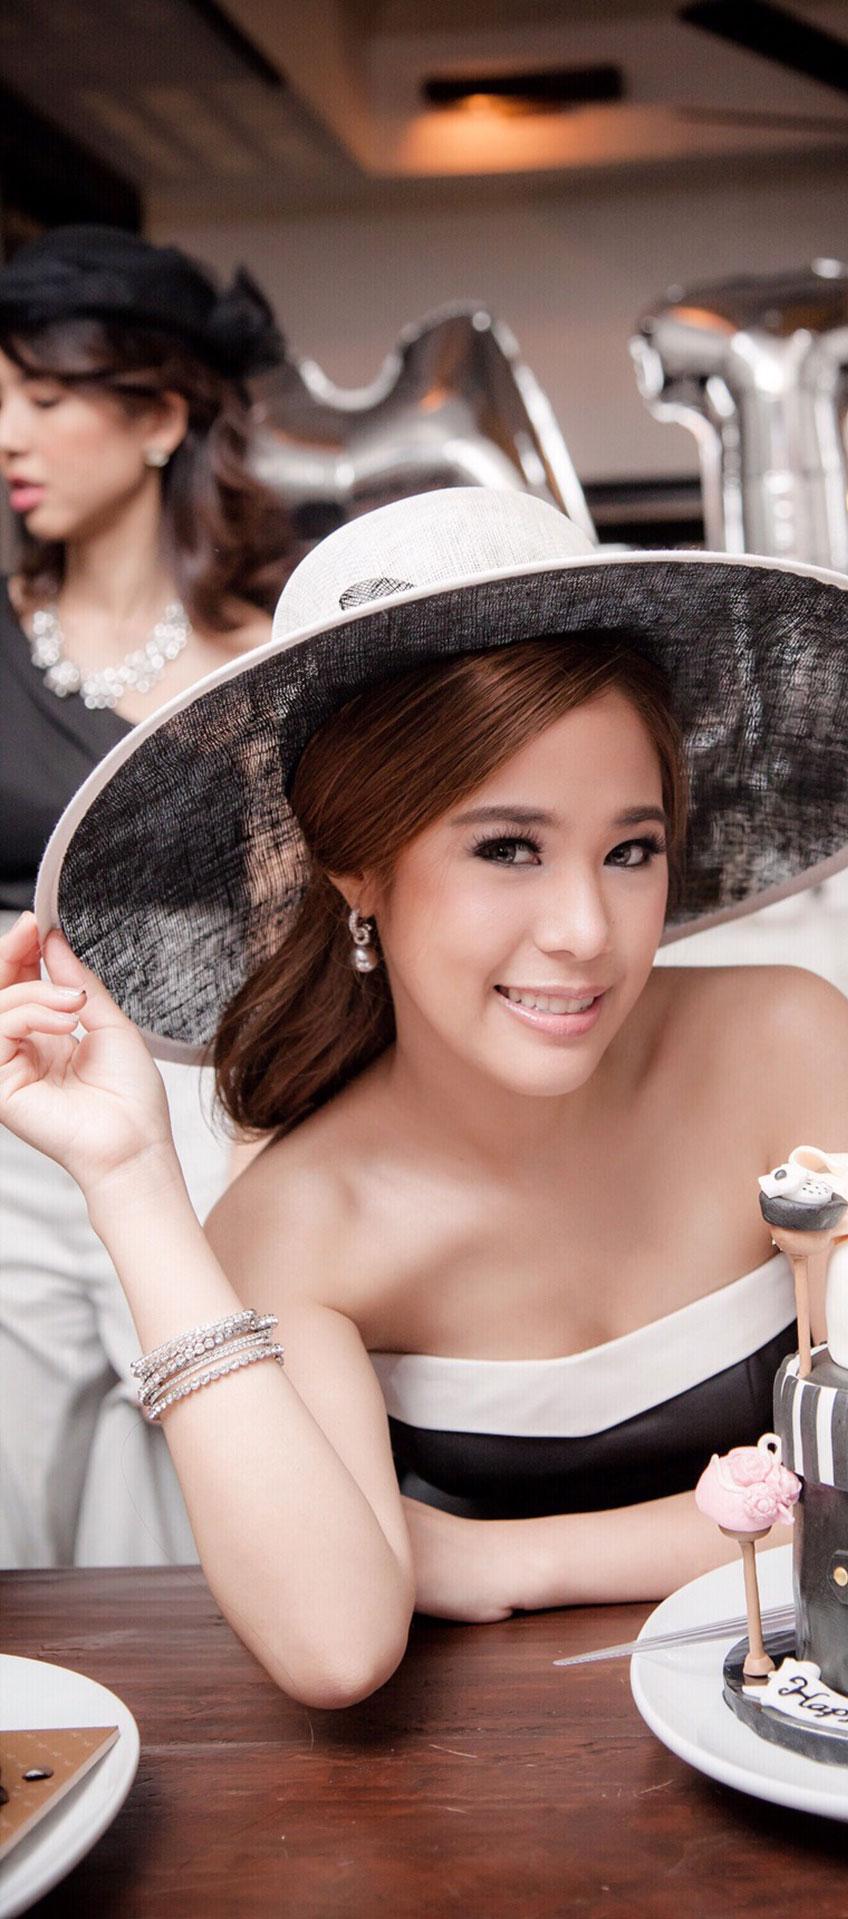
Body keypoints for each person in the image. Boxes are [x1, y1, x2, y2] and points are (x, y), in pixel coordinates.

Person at [0, 484, 848, 1706]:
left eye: (629, 849)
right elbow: (335, 1645)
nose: (585, 929)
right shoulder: (301, 1224)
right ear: (356, 862)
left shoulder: (781, 1043)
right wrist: (130, 1180)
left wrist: (495, 1557)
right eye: (507, 848)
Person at [0, 225, 294, 1567]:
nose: (9, 434)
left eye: (45, 397)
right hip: (8, 1094)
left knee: (199, 1436)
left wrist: (264, 1143)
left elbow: (289, 932)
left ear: (163, 417)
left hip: (194, 1100)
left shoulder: (266, 654)